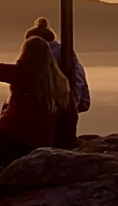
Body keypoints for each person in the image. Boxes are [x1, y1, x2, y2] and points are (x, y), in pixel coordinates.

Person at [0, 34, 75, 178]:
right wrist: (66, 144)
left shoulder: (21, 72)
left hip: (11, 136)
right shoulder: (60, 83)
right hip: (40, 143)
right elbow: (70, 116)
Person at [23, 17, 91, 145]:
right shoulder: (64, 51)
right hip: (69, 104)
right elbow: (78, 76)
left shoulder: (44, 56)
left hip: (55, 105)